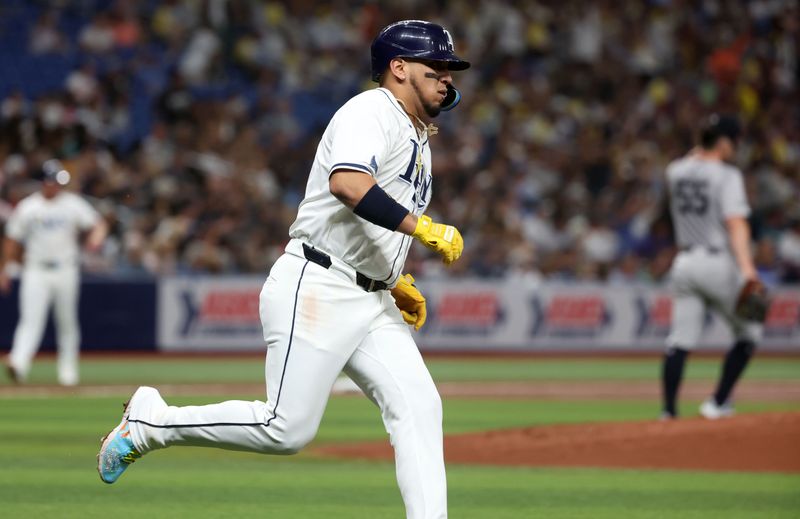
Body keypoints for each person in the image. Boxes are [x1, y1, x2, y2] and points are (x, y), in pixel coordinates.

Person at [98, 20, 468, 519]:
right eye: (437, 66)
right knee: (285, 429)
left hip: (369, 298)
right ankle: (151, 423)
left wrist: (390, 276)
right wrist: (419, 229)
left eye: (450, 69)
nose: (447, 77)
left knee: (420, 407)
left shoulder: (416, 133)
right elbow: (348, 185)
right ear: (398, 68)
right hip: (318, 284)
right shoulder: (370, 110)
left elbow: (360, 211)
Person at [660, 114, 762, 420]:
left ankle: (668, 412)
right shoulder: (727, 175)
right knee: (751, 332)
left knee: (679, 340)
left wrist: (701, 146)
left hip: (685, 262)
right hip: (719, 262)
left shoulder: (675, 171)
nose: (736, 147)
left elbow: (692, 160)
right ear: (722, 142)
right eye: (733, 141)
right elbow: (736, 224)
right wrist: (747, 269)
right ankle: (717, 403)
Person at [1, 159, 108, 386]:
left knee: (67, 322)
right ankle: (18, 364)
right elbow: (11, 239)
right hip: (35, 269)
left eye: (59, 182)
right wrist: (4, 270)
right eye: (53, 181)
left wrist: (95, 239)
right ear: (44, 181)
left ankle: (68, 372)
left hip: (65, 268)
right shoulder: (29, 207)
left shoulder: (72, 204)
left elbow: (98, 224)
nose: (56, 186)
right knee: (30, 320)